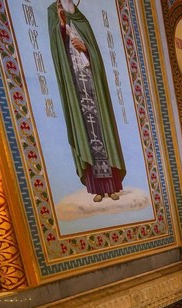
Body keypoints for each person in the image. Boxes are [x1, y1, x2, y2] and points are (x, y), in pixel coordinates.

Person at [49, 0, 126, 202]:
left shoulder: (82, 19)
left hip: (93, 87)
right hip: (75, 86)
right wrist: (62, 25)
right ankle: (98, 190)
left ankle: (112, 187)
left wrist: (86, 48)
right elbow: (58, 52)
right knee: (86, 133)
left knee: (102, 133)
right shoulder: (53, 13)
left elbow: (96, 58)